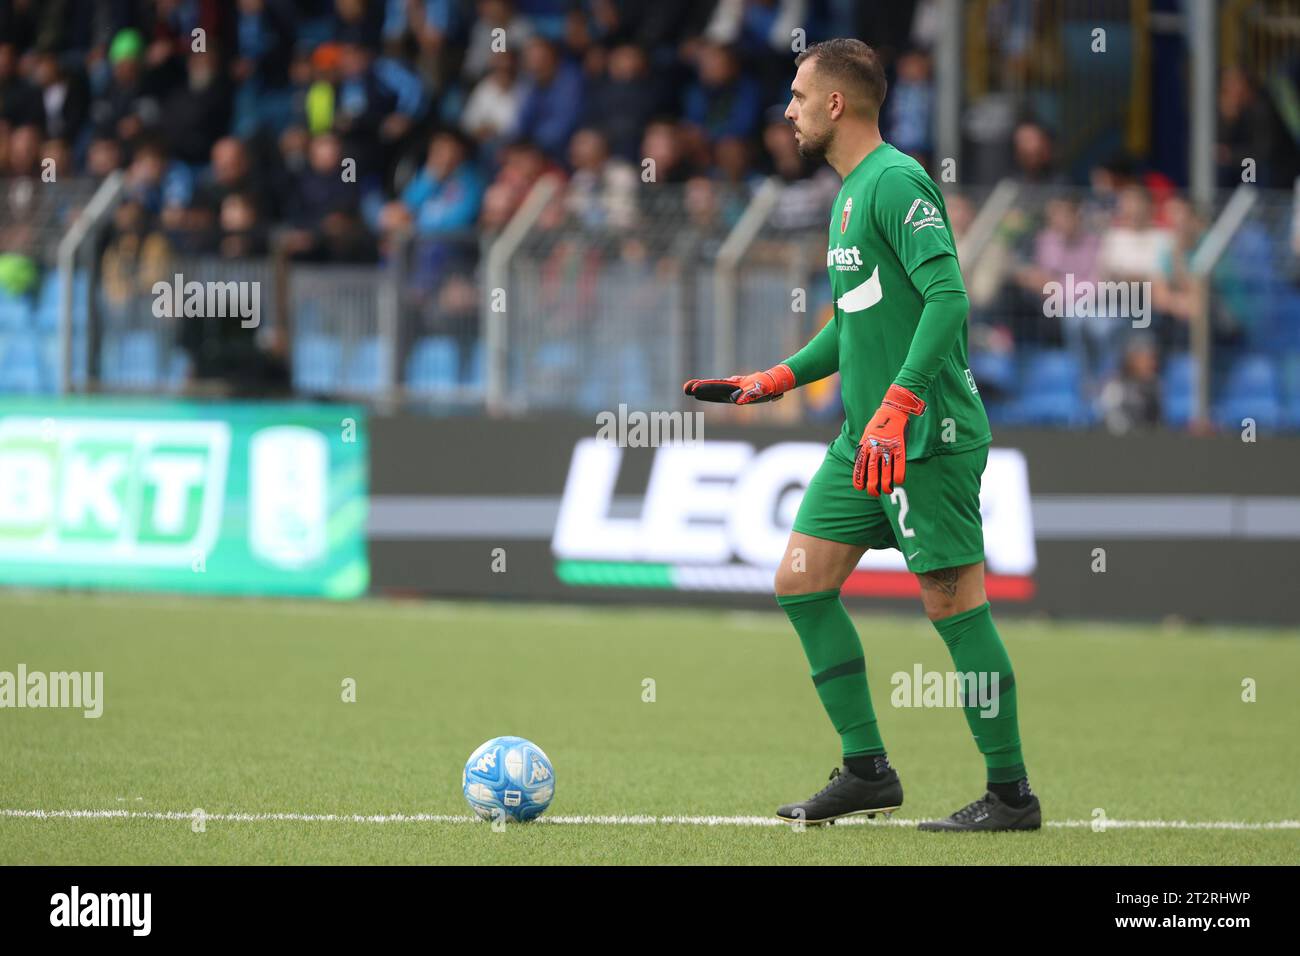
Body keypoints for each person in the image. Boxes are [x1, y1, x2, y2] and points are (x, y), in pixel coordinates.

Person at [682, 39, 1040, 832]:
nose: (788, 110)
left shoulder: (897, 182)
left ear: (836, 104)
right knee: (799, 582)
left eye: (799, 97)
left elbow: (948, 301)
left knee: (956, 611)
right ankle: (866, 769)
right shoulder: (848, 197)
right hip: (865, 440)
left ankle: (1012, 795)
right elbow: (852, 322)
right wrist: (773, 379)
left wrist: (901, 403)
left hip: (926, 437)